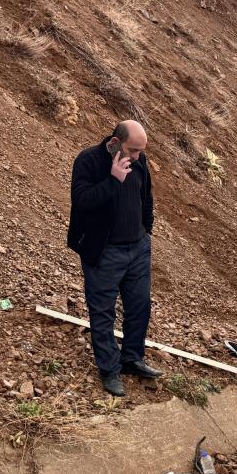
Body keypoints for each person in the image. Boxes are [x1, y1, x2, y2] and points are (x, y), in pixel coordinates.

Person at [68, 121, 162, 396]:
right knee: (103, 312)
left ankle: (132, 358)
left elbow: (146, 197)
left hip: (137, 249)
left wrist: (146, 233)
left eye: (140, 152)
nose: (136, 157)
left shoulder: (138, 159)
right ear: (115, 140)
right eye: (133, 150)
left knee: (139, 306)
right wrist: (112, 180)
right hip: (104, 252)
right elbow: (81, 201)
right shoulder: (90, 160)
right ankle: (109, 370)